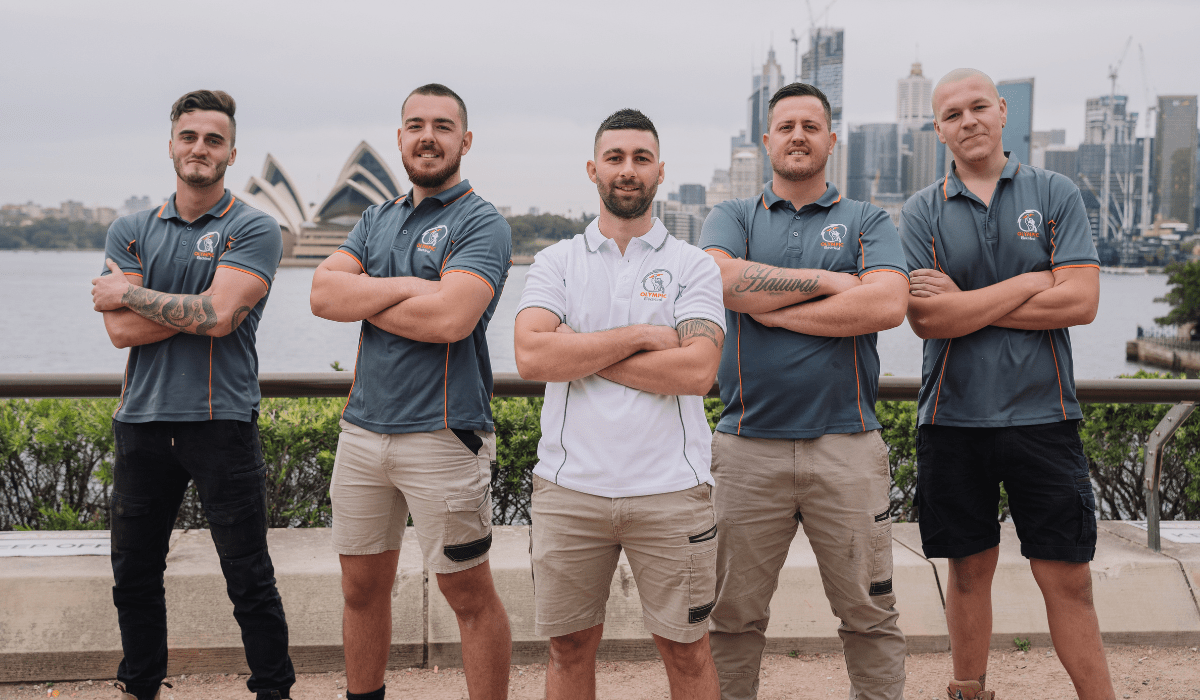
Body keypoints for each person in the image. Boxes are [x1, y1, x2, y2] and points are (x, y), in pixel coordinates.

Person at [899, 68, 1111, 700]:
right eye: (953, 114)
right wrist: (1031, 281)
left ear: (1002, 111)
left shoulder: (1055, 193)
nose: (968, 122)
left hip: (1045, 415)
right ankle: (969, 692)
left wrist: (970, 302)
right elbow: (927, 318)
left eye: (978, 108)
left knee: (1067, 578)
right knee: (967, 572)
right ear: (938, 129)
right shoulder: (920, 211)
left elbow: (1082, 301)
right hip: (953, 418)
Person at [698, 82, 911, 700]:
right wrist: (828, 279)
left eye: (810, 126)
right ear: (766, 140)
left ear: (830, 140)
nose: (797, 135)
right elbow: (719, 280)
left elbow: (889, 302)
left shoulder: (867, 219)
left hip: (847, 445)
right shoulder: (733, 216)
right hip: (745, 448)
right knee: (730, 619)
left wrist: (770, 310)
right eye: (785, 126)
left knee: (871, 616)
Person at [514, 108, 727, 700]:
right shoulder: (557, 261)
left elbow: (696, 370)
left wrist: (577, 351)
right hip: (568, 489)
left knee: (687, 652)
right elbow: (531, 358)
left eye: (640, 158)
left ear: (660, 170)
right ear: (592, 169)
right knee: (567, 650)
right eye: (615, 158)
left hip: (672, 490)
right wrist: (638, 335)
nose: (627, 170)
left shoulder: (694, 265)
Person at [309, 83, 513, 700]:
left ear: (465, 140)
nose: (428, 136)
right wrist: (417, 289)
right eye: (416, 124)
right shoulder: (376, 216)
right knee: (360, 590)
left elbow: (451, 320)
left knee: (467, 594)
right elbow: (322, 296)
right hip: (363, 432)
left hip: (443, 434)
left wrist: (367, 296)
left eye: (443, 126)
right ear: (399, 137)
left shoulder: (482, 221)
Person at [90, 90, 293, 700]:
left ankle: (273, 690)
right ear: (171, 143)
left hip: (219, 421)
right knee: (133, 575)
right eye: (189, 136)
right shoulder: (130, 229)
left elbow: (223, 315)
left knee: (248, 575)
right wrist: (196, 308)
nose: (199, 148)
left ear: (232, 151)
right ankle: (141, 685)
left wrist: (129, 293)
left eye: (213, 139)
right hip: (142, 422)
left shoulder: (252, 226)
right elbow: (121, 333)